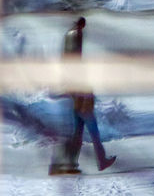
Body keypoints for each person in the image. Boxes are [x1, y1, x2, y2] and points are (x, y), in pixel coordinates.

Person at [49, 17, 116, 175]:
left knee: (77, 135)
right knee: (94, 133)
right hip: (83, 104)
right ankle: (101, 161)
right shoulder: (76, 43)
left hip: (76, 102)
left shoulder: (71, 41)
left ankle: (70, 164)